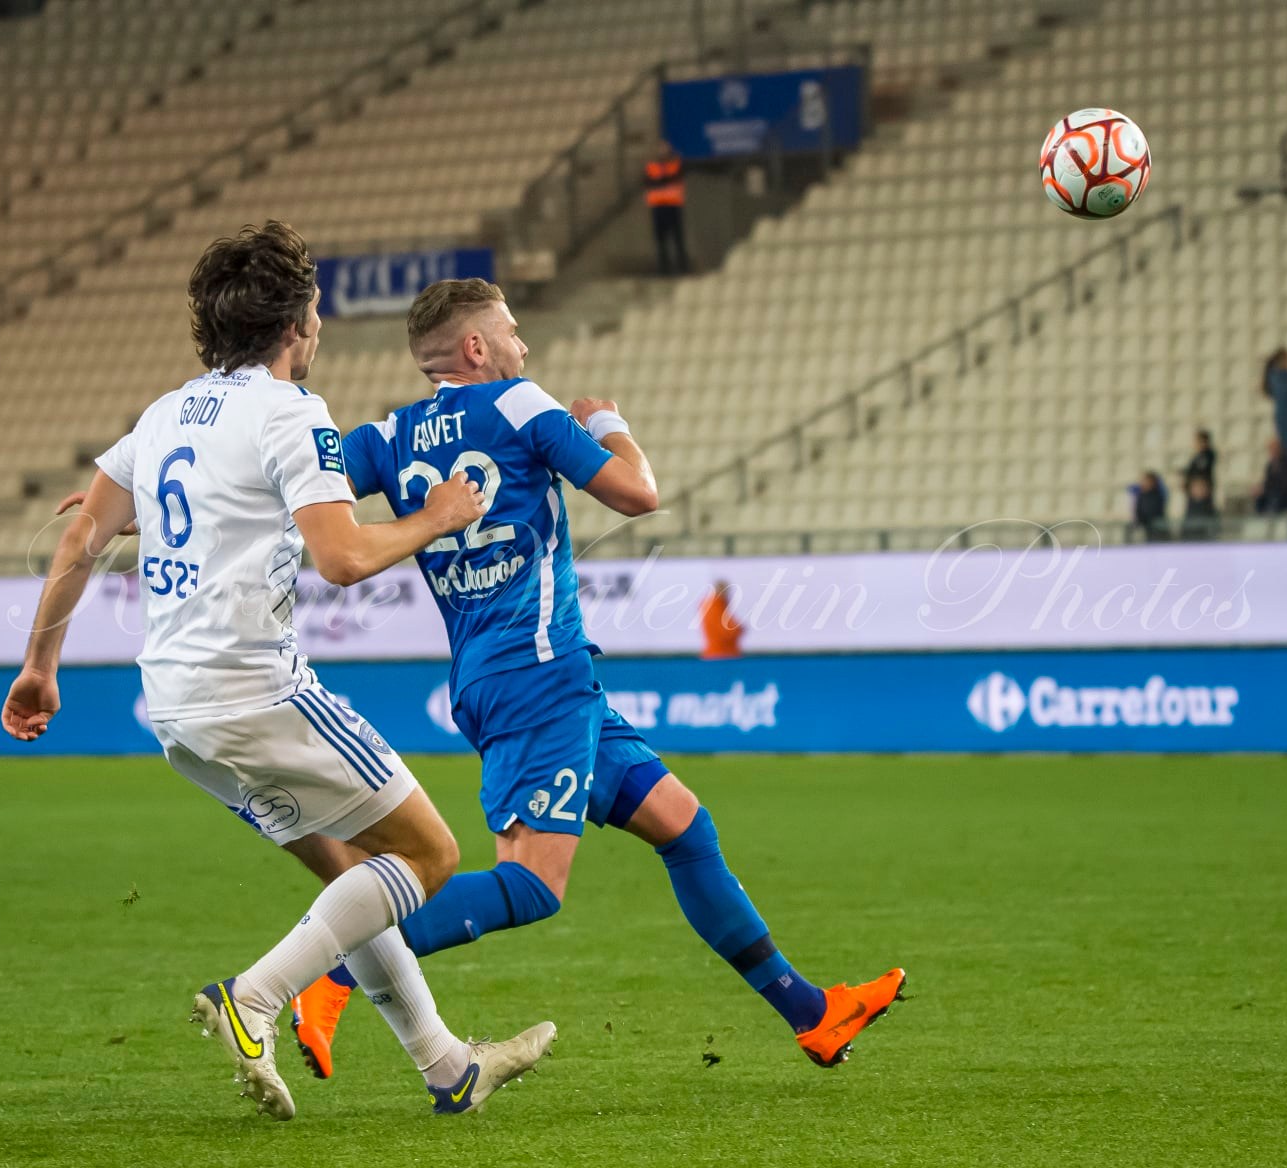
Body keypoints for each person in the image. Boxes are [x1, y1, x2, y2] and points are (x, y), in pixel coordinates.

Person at [2, 224, 553, 1121]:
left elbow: (80, 534)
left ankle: (448, 1065)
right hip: (256, 687)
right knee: (430, 853)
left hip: (176, 709)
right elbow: (341, 557)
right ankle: (253, 998)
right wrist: (442, 515)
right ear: (298, 322)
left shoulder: (164, 414)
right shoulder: (292, 413)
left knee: (353, 871)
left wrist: (39, 666)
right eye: (318, 307)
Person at [290, 278, 903, 1079]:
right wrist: (604, 422)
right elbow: (639, 493)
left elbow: (290, 481)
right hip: (539, 673)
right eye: (510, 331)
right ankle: (328, 973)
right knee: (533, 882)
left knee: (684, 826)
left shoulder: (389, 435)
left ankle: (811, 1013)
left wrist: (141, 506)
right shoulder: (518, 403)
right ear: (476, 348)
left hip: (504, 679)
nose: (523, 345)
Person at [644, 139, 690, 276]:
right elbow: (649, 182)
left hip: (673, 206)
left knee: (678, 238)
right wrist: (665, 179)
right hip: (658, 208)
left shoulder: (676, 164)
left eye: (665, 148)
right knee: (661, 240)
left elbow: (676, 177)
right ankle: (664, 268)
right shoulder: (651, 166)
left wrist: (662, 180)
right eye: (660, 148)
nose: (662, 151)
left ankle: (682, 266)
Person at [1252, 437, 1287, 515]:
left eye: (1274, 448)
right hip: (1276, 494)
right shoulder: (1270, 466)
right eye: (1270, 449)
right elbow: (1268, 483)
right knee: (1260, 499)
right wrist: (1260, 489)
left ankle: (1274, 520)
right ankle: (1262, 520)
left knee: (1276, 499)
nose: (1272, 451)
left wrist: (1267, 490)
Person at [699, 579, 744, 659]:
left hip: (718, 653)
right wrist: (738, 629)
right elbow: (725, 632)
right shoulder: (715, 608)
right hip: (721, 654)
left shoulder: (716, 606)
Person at [1130, 470, 1168, 541]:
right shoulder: (1141, 495)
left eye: (1146, 480)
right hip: (1145, 527)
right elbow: (1138, 510)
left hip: (1156, 527)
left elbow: (1154, 511)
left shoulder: (1158, 495)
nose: (1143, 483)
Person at [1181, 474, 1219, 541]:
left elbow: (1216, 530)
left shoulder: (1213, 509)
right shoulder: (1182, 508)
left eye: (1202, 486)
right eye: (1196, 487)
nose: (1200, 490)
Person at [1181, 428, 1217, 497]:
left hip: (1200, 490)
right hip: (1193, 490)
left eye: (1198, 441)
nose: (1196, 444)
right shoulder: (1198, 456)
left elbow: (1201, 472)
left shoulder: (1208, 455)